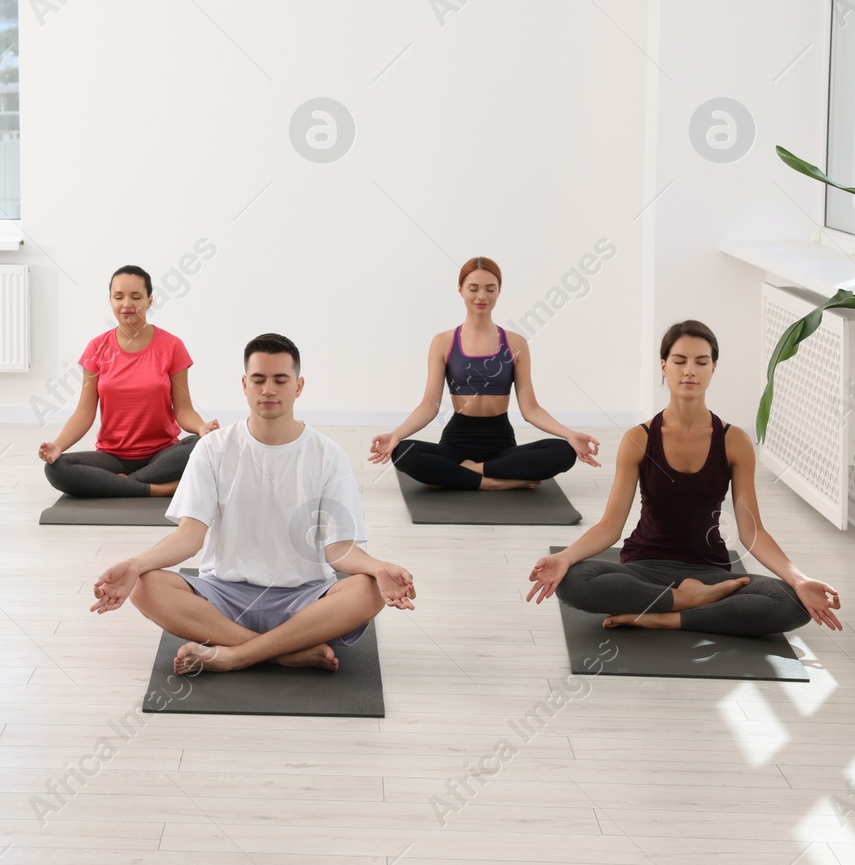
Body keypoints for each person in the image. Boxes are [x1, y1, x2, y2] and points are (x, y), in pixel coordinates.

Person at [90, 333, 415, 673]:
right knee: (144, 585)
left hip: (303, 598)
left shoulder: (328, 454)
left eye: (280, 380)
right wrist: (134, 564)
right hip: (223, 596)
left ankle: (235, 655)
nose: (268, 389)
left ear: (299, 386)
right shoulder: (212, 448)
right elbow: (189, 537)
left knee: (368, 590)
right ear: (244, 384)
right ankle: (285, 652)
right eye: (258, 380)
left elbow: (340, 550)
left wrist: (378, 567)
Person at [525, 320, 842, 637]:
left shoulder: (735, 442)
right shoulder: (639, 438)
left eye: (701, 362)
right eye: (679, 361)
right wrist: (564, 558)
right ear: (663, 366)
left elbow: (752, 530)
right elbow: (610, 526)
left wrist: (799, 579)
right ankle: (689, 603)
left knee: (790, 601)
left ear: (713, 369)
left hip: (709, 572)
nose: (690, 370)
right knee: (573, 581)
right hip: (644, 568)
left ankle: (664, 615)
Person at [370, 256, 599, 491]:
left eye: (490, 289)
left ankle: (466, 472)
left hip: (501, 444)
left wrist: (570, 434)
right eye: (473, 288)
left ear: (499, 291)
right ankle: (492, 483)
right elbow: (429, 405)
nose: (482, 296)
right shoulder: (443, 342)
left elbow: (531, 410)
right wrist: (395, 435)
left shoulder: (516, 343)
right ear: (460, 290)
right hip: (456, 442)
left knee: (563, 452)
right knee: (403, 452)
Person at [39, 265, 217, 498]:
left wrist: (202, 428)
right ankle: (159, 488)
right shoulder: (96, 348)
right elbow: (84, 413)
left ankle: (124, 484)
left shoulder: (172, 346)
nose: (127, 304)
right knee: (56, 469)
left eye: (136, 297)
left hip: (161, 455)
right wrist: (58, 446)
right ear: (110, 300)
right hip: (112, 457)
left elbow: (184, 410)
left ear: (150, 300)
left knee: (198, 445)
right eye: (118, 296)